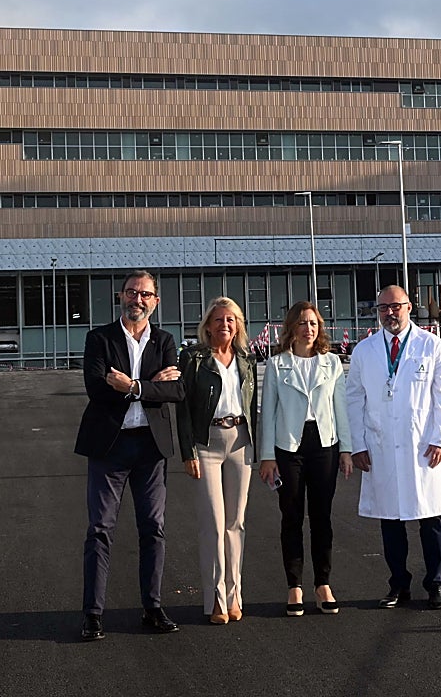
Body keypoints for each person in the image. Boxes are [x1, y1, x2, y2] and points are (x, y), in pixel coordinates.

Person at [74, 270, 184, 641]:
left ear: (156, 301)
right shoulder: (99, 339)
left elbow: (176, 391)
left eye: (145, 294)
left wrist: (132, 385)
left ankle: (152, 607)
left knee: (153, 529)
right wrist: (151, 386)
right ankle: (92, 614)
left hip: (151, 449)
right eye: (131, 292)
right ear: (121, 296)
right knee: (100, 530)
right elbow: (95, 387)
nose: (137, 299)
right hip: (109, 446)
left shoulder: (166, 341)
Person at [347, 285, 441, 610]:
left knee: (430, 518)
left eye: (396, 306)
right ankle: (398, 584)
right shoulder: (364, 351)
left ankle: (436, 584)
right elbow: (353, 398)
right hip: (380, 447)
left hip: (423, 447)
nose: (390, 313)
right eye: (383, 308)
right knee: (390, 521)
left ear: (409, 307)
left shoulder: (430, 346)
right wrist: (358, 444)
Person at [259, 301, 353, 616]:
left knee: (322, 517)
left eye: (313, 323)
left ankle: (323, 583)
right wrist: (267, 456)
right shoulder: (276, 364)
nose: (308, 329)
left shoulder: (332, 363)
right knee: (292, 516)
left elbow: (342, 409)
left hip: (324, 444)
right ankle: (294, 585)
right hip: (289, 447)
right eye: (302, 323)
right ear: (291, 328)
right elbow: (268, 413)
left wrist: (346, 449)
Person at [176, 297, 257, 625]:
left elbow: (253, 406)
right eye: (220, 319)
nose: (226, 324)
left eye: (232, 320)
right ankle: (216, 602)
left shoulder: (246, 359)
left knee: (235, 524)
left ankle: (235, 595)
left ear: (238, 325)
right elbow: (181, 408)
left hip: (240, 441)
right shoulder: (194, 359)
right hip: (205, 443)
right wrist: (187, 451)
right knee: (212, 525)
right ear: (208, 325)